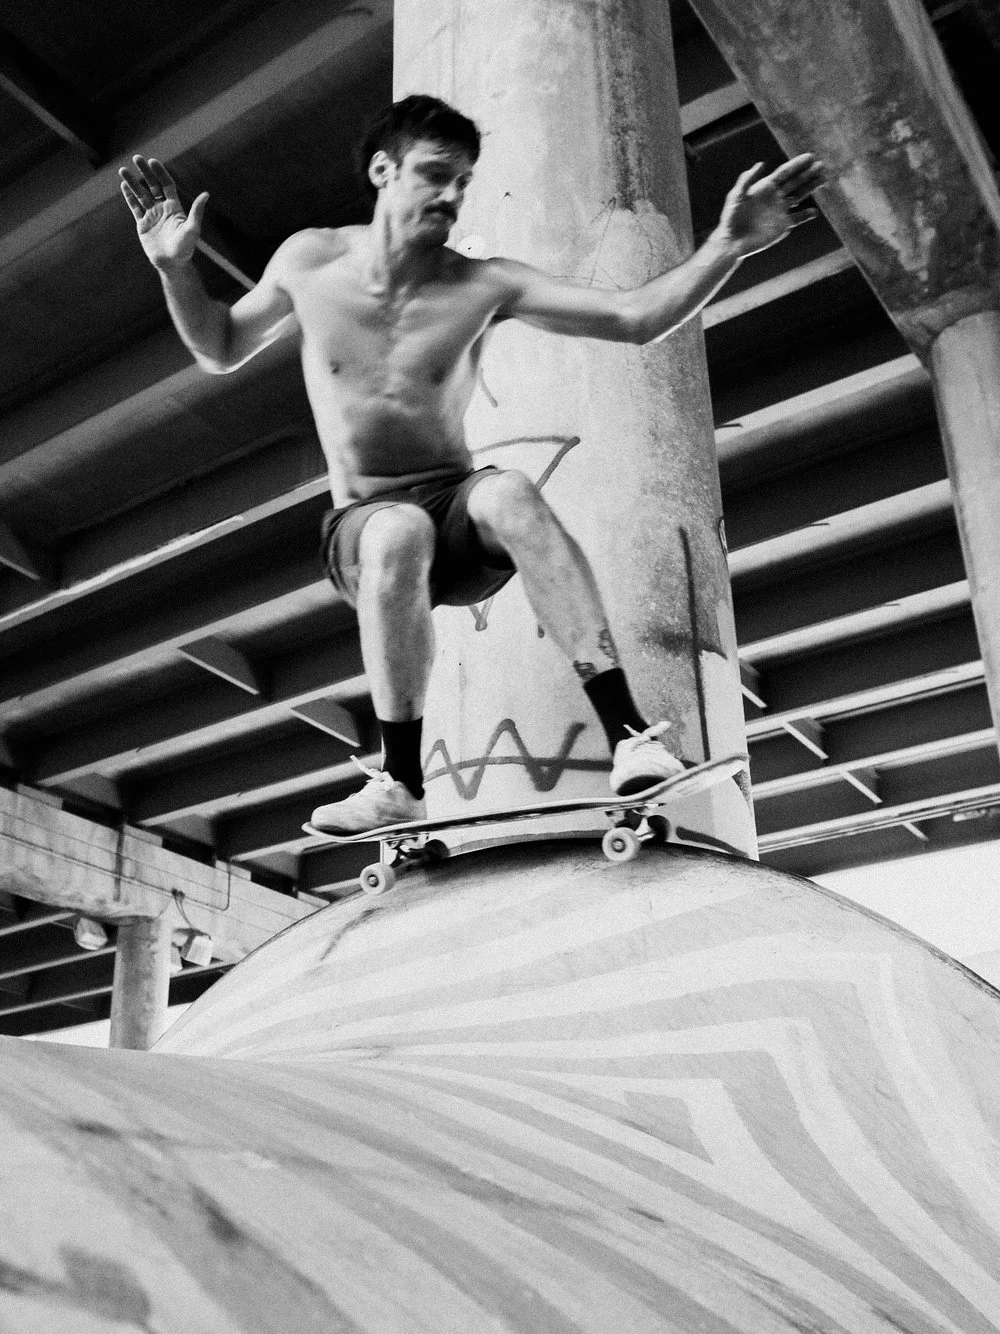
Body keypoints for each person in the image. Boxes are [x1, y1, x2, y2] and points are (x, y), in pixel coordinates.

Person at [119, 95, 825, 834]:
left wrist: (728, 245)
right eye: (435, 174)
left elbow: (634, 319)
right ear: (384, 171)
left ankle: (629, 736)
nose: (452, 195)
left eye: (463, 182)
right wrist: (175, 269)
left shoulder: (483, 285)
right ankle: (400, 780)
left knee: (510, 492)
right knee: (397, 531)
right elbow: (220, 347)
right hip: (366, 526)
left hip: (456, 513)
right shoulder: (309, 260)